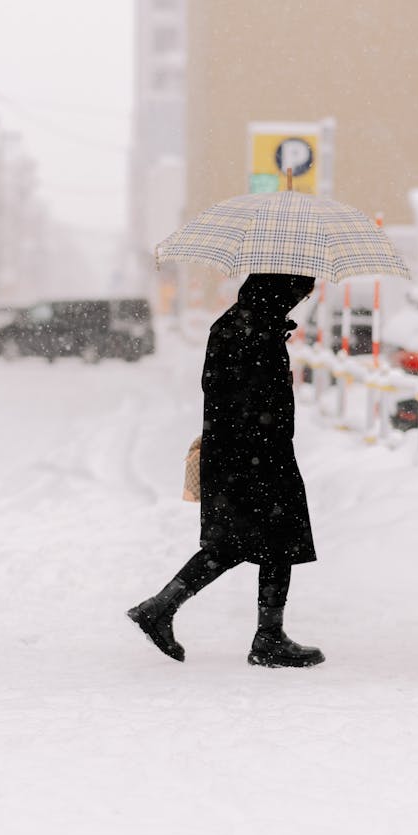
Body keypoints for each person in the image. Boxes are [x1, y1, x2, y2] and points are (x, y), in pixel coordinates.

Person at [127, 272, 324, 668]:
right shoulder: (256, 331)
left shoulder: (238, 323)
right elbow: (254, 397)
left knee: (242, 540)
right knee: (272, 535)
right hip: (257, 453)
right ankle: (265, 636)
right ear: (278, 289)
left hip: (236, 451)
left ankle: (164, 608)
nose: (299, 302)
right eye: (298, 294)